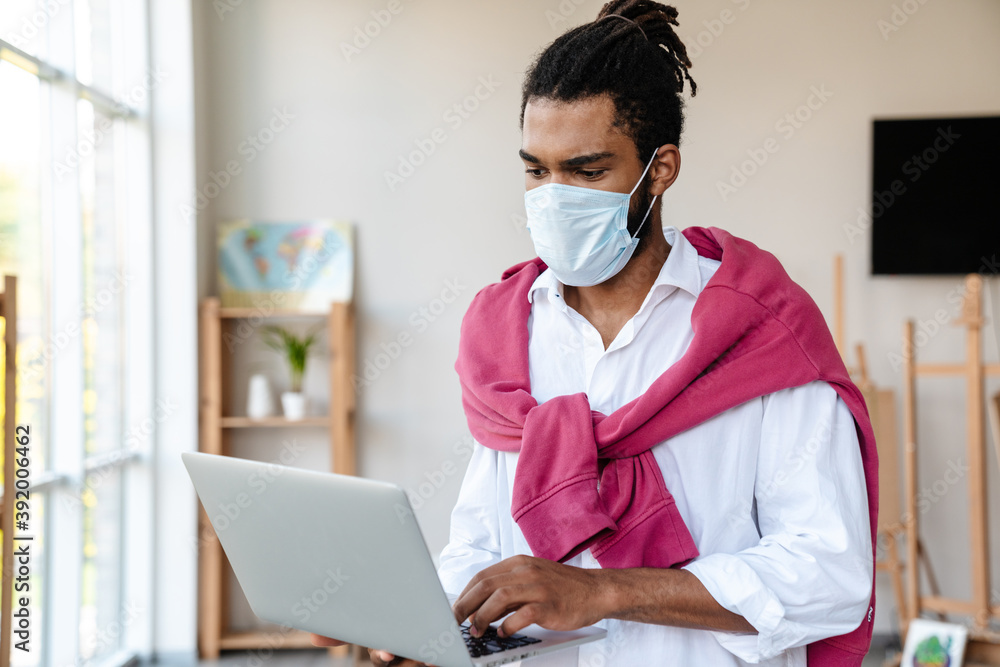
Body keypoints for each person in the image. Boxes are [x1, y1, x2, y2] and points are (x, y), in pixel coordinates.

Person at [314, 1, 878, 664]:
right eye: (535, 169)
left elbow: (829, 571)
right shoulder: (504, 333)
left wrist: (604, 590)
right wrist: (421, 621)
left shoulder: (762, 332)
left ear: (660, 169)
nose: (554, 196)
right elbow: (480, 546)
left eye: (586, 172)